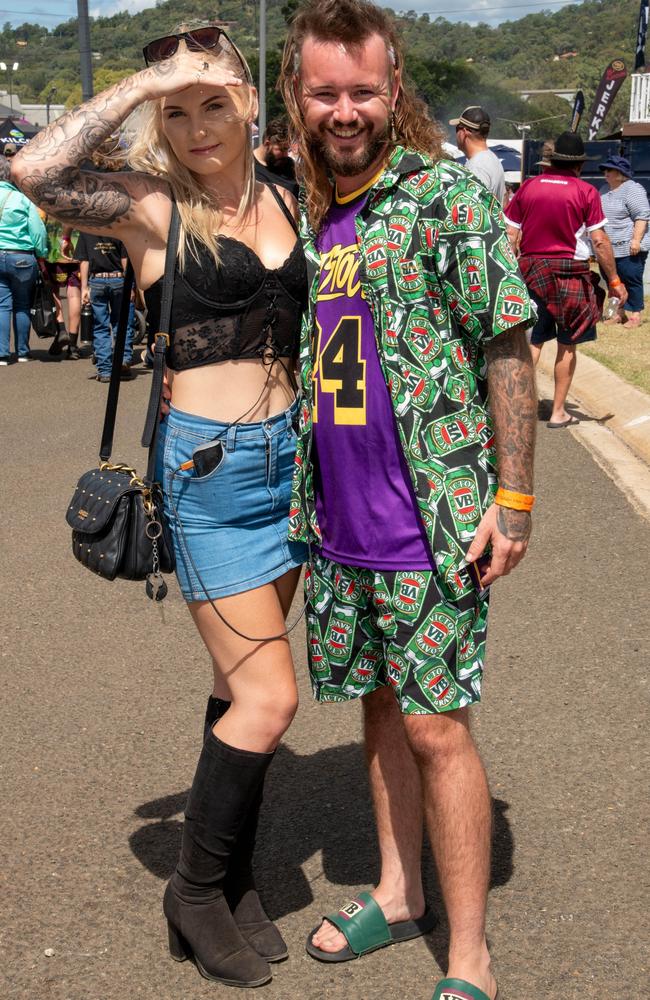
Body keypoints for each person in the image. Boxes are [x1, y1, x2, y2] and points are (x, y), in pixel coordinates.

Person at [13, 22, 308, 988]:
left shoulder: (289, 196)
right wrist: (153, 83)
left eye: (215, 101)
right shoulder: (148, 206)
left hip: (292, 468)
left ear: (252, 102)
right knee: (271, 696)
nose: (197, 125)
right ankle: (190, 889)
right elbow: (34, 169)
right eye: (175, 111)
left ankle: (231, 880)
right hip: (210, 477)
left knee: (238, 689)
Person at [279, 3, 537, 999]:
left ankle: (466, 953)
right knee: (381, 707)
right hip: (340, 523)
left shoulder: (441, 199)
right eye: (323, 91)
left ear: (395, 90)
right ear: (297, 96)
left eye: (361, 90)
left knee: (437, 726)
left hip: (430, 522)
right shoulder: (315, 205)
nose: (343, 110)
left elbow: (504, 342)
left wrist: (510, 496)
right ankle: (396, 892)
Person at [505, 131, 627, 428]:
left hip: (532, 272)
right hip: (570, 273)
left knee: (533, 342)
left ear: (554, 160)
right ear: (579, 165)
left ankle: (517, 409)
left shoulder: (529, 187)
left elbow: (510, 235)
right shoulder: (586, 192)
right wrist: (614, 281)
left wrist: (510, 274)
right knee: (567, 344)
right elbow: (599, 241)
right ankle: (559, 412)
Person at [0, 155, 47, 365]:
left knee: (2, 306)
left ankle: (2, 353)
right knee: (22, 304)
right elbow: (37, 231)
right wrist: (42, 253)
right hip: (22, 256)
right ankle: (22, 351)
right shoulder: (22, 199)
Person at [75, 229, 136, 381]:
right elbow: (124, 259)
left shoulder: (86, 231)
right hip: (118, 279)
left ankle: (105, 370)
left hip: (97, 281)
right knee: (121, 323)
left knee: (100, 327)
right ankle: (123, 360)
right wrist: (131, 286)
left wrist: (84, 288)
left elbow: (84, 261)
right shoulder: (118, 229)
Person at [598, 154, 650, 326]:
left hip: (628, 246)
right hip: (608, 248)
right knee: (612, 280)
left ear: (620, 173)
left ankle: (635, 314)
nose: (605, 173)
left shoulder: (633, 189)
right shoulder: (604, 190)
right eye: (605, 170)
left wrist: (636, 240)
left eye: (609, 170)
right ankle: (616, 313)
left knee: (631, 279)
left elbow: (642, 216)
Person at [449, 106, 505, 204]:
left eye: (457, 128)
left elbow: (471, 211)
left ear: (464, 132)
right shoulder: (493, 159)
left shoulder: (476, 168)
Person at [44, 220, 81, 359]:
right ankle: (73, 346)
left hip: (54, 248)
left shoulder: (48, 197)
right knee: (74, 295)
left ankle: (61, 330)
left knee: (53, 292)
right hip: (77, 248)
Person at [253, 116, 298, 196]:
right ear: (267, 144)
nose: (286, 154)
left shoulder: (288, 165)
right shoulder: (248, 166)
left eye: (287, 149)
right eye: (282, 149)